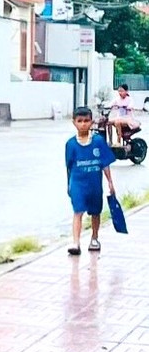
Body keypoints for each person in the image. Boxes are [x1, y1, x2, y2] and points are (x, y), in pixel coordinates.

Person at [66, 105, 115, 255]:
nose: (83, 124)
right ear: (74, 122)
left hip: (94, 184)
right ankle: (76, 242)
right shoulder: (71, 144)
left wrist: (110, 182)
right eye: (79, 121)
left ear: (92, 122)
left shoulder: (98, 141)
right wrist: (69, 185)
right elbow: (69, 166)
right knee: (78, 211)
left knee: (95, 211)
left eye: (86, 121)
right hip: (78, 183)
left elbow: (105, 163)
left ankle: (94, 238)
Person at [106, 83, 142, 148]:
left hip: (128, 119)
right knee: (108, 122)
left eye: (122, 91)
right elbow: (110, 104)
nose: (120, 93)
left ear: (126, 91)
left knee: (117, 122)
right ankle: (110, 141)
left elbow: (130, 106)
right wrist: (106, 106)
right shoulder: (117, 99)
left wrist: (124, 106)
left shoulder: (130, 99)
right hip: (119, 118)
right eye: (119, 91)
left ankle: (118, 141)